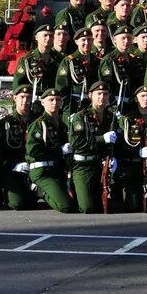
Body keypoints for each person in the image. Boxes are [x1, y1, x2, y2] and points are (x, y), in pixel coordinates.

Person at [66, 80, 118, 214]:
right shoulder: (81, 117)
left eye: (105, 94)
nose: (102, 97)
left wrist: (113, 157)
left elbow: (115, 142)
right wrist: (102, 139)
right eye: (98, 93)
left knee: (104, 206)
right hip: (83, 166)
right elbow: (77, 143)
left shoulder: (110, 117)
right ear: (90, 95)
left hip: (99, 165)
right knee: (87, 208)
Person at [24, 88, 76, 214]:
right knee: (65, 206)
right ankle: (38, 190)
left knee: (78, 203)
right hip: (42, 171)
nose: (54, 103)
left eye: (58, 100)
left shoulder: (62, 124)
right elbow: (33, 151)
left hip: (56, 170)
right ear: (43, 103)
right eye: (51, 100)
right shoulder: (39, 124)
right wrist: (59, 151)